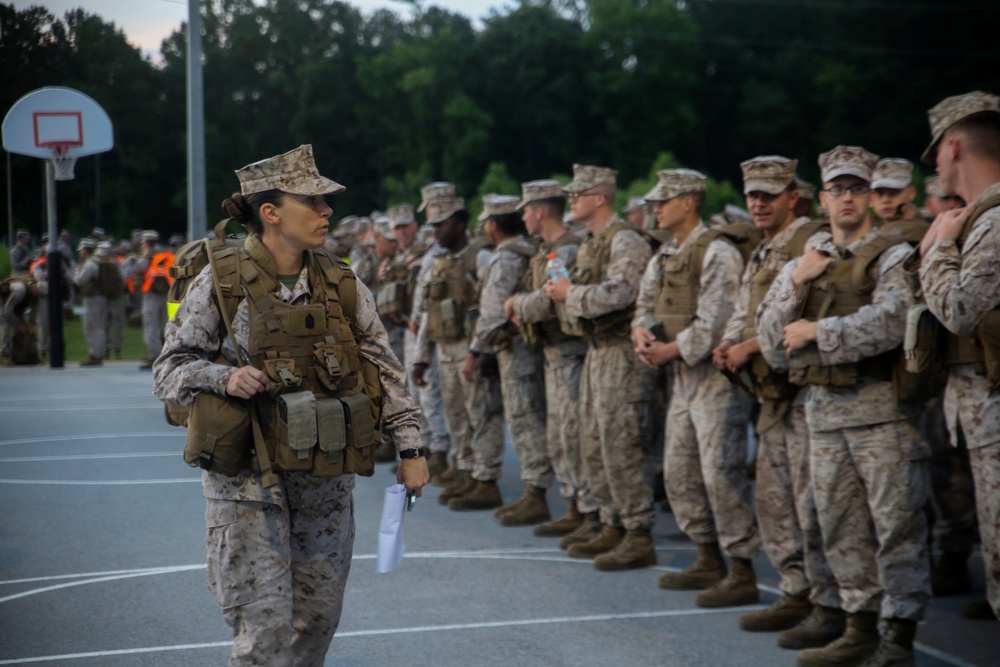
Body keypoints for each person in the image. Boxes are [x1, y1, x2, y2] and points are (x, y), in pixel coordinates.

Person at [152, 145, 428, 666]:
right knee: (265, 633)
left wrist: (411, 447)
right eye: (314, 201)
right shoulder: (220, 282)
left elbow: (385, 368)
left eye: (327, 203)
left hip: (325, 485)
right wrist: (224, 376)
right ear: (270, 212)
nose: (327, 212)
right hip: (247, 486)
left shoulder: (342, 282)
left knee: (316, 624)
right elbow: (168, 372)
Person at [758, 146, 931, 666]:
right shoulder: (803, 262)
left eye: (858, 188)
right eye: (838, 189)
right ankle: (856, 624)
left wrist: (820, 332)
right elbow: (770, 343)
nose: (848, 198)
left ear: (870, 196)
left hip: (884, 414)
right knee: (835, 525)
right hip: (825, 414)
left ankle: (898, 636)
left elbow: (894, 322)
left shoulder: (893, 256)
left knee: (895, 528)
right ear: (824, 197)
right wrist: (795, 282)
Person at [714, 157, 840, 643]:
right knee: (775, 500)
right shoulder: (765, 248)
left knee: (813, 504)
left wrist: (750, 347)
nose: (759, 203)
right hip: (771, 395)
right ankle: (795, 590)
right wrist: (730, 343)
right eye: (752, 195)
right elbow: (745, 309)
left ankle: (825, 600)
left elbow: (810, 311)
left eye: (769, 194)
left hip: (805, 392)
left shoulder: (811, 242)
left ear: (794, 196)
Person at [632, 168, 760, 599]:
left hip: (716, 380)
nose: (655, 209)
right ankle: (708, 556)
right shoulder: (665, 254)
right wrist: (642, 335)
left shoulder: (717, 251)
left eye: (662, 201)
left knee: (720, 472)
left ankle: (741, 568)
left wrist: (669, 350)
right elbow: (644, 304)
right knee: (680, 471)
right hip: (683, 380)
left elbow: (716, 320)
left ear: (688, 202)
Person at [546, 164, 656, 571]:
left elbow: (624, 292)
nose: (572, 199)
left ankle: (638, 530)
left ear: (600, 197)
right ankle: (612, 521)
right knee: (594, 440)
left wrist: (571, 293)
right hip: (596, 349)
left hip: (621, 352)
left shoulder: (624, 238)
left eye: (579, 193)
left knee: (620, 442)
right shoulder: (594, 241)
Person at [917, 90, 1000, 623]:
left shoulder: (992, 222)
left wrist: (938, 249)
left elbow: (959, 310)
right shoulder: (981, 218)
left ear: (952, 148)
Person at [505, 179, 596, 537]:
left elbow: (549, 301)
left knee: (574, 435)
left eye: (527, 210)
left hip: (571, 355)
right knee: (560, 435)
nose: (524, 217)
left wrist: (516, 304)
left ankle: (588, 510)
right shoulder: (547, 250)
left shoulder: (566, 251)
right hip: (554, 354)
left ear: (540, 211)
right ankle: (575, 506)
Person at [411, 186, 504, 510]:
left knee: (482, 415)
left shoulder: (480, 257)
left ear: (461, 224)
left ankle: (486, 479)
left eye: (442, 224)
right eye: (433, 225)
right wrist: (421, 358)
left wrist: (484, 352)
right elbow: (427, 313)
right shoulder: (437, 262)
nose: (435, 230)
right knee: (457, 416)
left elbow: (492, 308)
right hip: (446, 352)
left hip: (470, 351)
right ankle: (466, 471)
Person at [472, 194, 550, 525]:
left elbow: (491, 313)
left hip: (515, 351)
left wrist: (476, 351)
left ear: (493, 225)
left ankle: (536, 494)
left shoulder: (505, 258)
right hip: (524, 347)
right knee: (527, 417)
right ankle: (535, 491)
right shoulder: (527, 250)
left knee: (524, 418)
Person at [378, 201, 452, 481]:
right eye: (396, 228)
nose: (401, 233)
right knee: (417, 396)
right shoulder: (399, 258)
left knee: (430, 394)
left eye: (405, 226)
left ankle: (440, 451)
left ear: (414, 226)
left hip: (424, 331)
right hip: (407, 331)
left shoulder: (425, 255)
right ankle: (429, 448)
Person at [72, 238, 107, 366]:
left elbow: (79, 280)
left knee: (92, 327)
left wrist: (76, 270)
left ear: (85, 250)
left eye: (81, 250)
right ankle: (97, 354)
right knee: (98, 327)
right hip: (99, 298)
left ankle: (96, 355)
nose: (80, 252)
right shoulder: (97, 261)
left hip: (94, 299)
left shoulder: (89, 264)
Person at [871, 158, 923, 223]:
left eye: (894, 192)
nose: (885, 200)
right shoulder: (868, 231)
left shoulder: (925, 231)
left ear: (911, 193)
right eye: (880, 193)